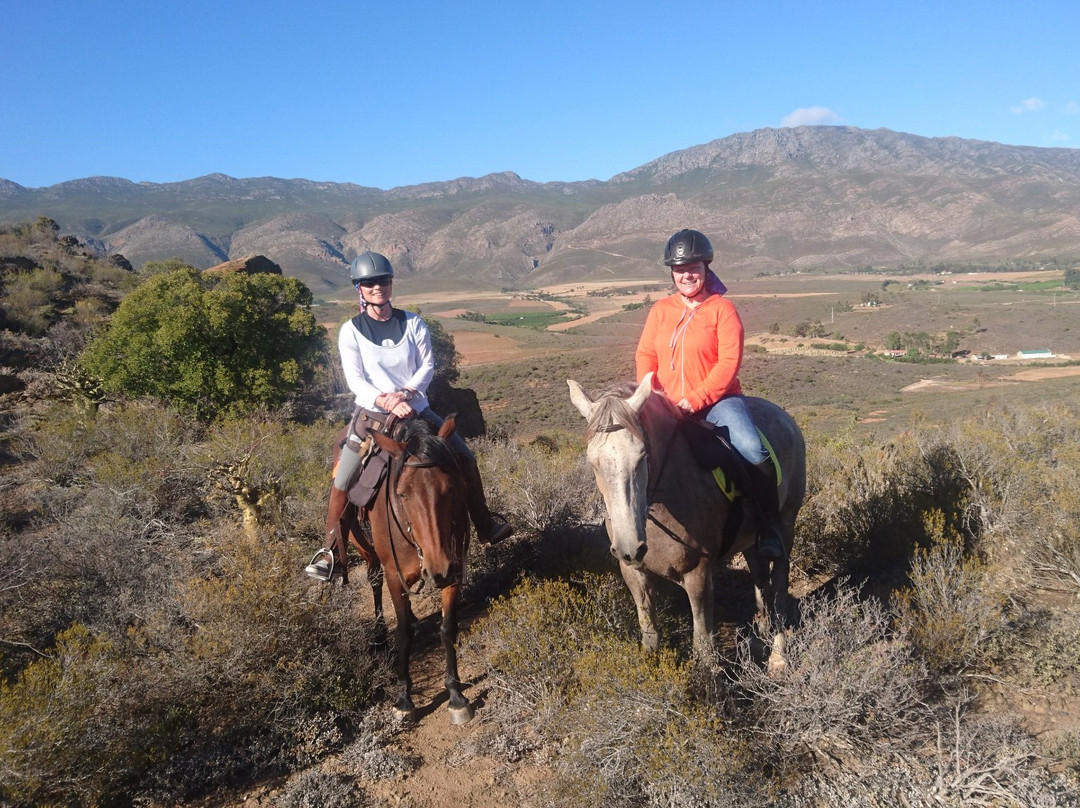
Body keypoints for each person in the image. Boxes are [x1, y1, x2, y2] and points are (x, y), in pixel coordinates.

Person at [306, 251, 512, 581]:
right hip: (372, 415)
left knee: (466, 457)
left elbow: (427, 366)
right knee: (344, 477)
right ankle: (332, 553)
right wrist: (385, 400)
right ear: (359, 288)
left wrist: (405, 394)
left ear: (391, 284)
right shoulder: (351, 331)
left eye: (383, 281)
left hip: (416, 408)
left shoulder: (413, 322)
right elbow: (355, 379)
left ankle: (485, 524)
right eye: (370, 283)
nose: (378, 287)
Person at [634, 229, 786, 559]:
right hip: (667, 404)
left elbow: (729, 362)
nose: (686, 274)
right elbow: (646, 353)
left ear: (706, 267)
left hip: (718, 402)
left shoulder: (723, 309)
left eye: (693, 267)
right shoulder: (661, 310)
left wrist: (697, 399)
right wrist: (652, 393)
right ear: (672, 272)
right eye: (679, 268)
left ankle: (770, 528)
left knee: (753, 450)